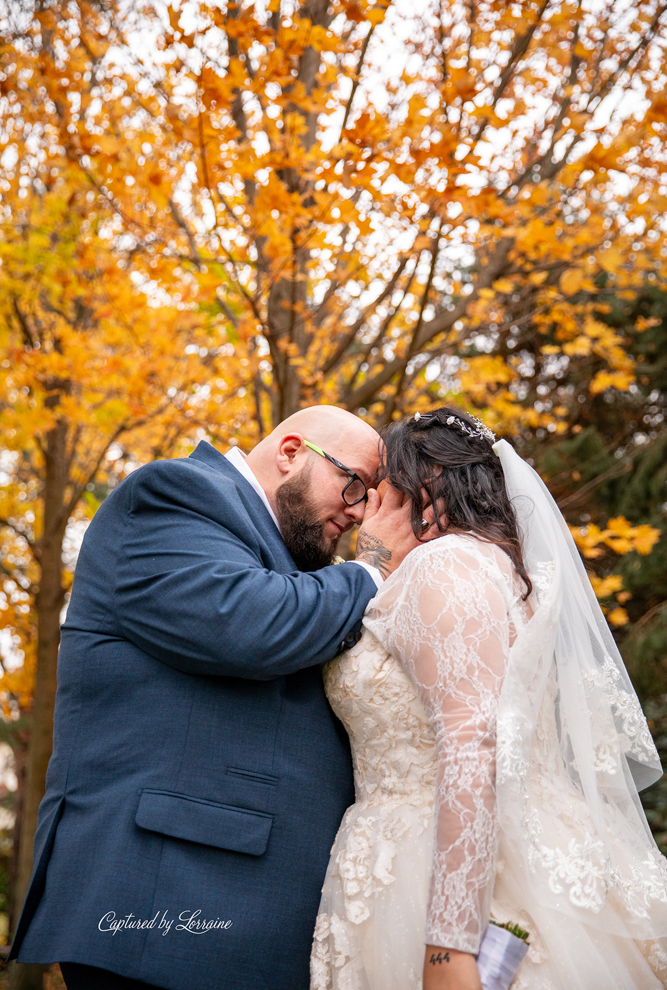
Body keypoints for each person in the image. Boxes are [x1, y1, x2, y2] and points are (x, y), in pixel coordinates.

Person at [10, 405, 441, 990]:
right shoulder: (174, 495)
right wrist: (374, 566)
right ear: (292, 453)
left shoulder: (296, 561)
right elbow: (252, 625)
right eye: (355, 484)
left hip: (249, 910)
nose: (361, 510)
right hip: (167, 900)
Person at [311, 405, 667, 990]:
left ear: (418, 489)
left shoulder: (443, 568)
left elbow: (473, 743)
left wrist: (450, 949)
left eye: (380, 489)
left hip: (437, 871)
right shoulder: (495, 570)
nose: (363, 509)